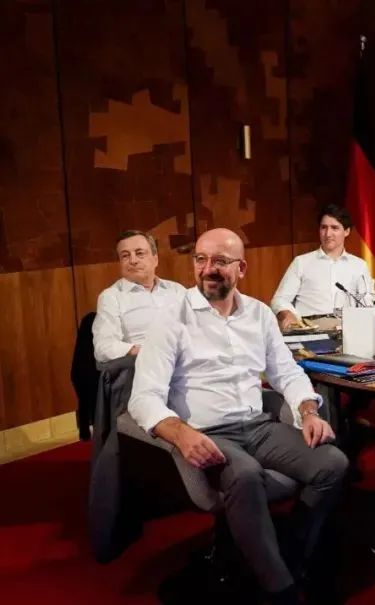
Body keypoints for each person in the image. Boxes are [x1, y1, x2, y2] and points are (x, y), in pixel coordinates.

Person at [127, 228, 348, 605]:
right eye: (201, 259)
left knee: (333, 464)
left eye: (220, 261)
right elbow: (143, 397)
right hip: (208, 433)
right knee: (245, 475)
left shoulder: (259, 314)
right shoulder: (171, 317)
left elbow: (287, 373)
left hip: (258, 427)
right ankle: (281, 591)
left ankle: (289, 555)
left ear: (241, 268)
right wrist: (180, 433)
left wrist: (308, 411)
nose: (208, 269)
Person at [271, 204, 375, 331]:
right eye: (324, 227)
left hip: (348, 332)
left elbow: (368, 304)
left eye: (334, 228)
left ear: (346, 231)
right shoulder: (301, 262)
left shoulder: (359, 265)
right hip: (310, 333)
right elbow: (279, 300)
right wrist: (288, 314)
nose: (328, 234)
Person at [92, 230, 186, 363]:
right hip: (145, 365)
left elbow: (201, 328)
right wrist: (146, 351)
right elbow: (103, 348)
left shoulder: (177, 290)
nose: (133, 260)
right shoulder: (112, 297)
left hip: (188, 363)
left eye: (140, 253)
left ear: (155, 259)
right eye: (125, 256)